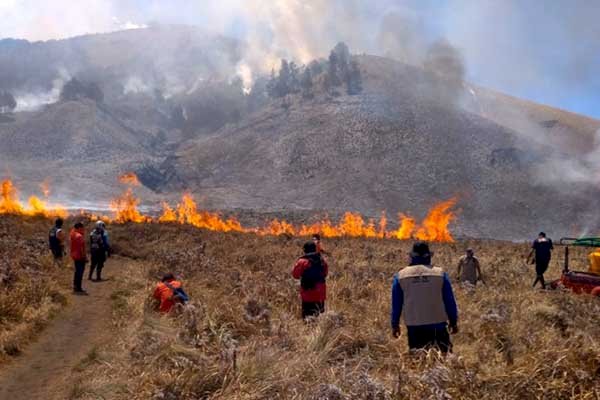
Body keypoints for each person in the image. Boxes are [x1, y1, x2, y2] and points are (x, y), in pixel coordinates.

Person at [391, 241, 458, 353]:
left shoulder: (401, 275)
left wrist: (395, 324)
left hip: (414, 326)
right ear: (429, 256)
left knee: (418, 360)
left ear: (411, 256)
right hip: (438, 324)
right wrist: (453, 321)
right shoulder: (440, 274)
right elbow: (449, 301)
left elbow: (396, 304)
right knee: (443, 358)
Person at [292, 241, 329, 319]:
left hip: (308, 294)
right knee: (319, 316)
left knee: (307, 318)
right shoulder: (322, 261)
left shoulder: (302, 261)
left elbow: (295, 275)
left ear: (305, 250)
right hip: (320, 294)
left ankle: (308, 331)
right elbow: (325, 274)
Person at [70, 222, 88, 295]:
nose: (83, 230)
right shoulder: (79, 236)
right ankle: (78, 288)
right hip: (80, 256)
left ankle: (75, 286)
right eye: (82, 228)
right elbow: (81, 248)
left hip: (74, 256)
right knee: (80, 272)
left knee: (77, 272)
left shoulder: (72, 234)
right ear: (79, 228)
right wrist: (84, 257)